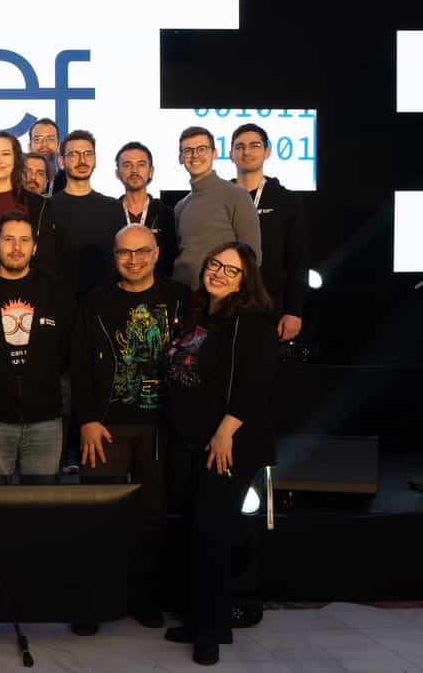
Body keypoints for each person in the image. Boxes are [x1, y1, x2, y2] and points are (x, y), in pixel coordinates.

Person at [163, 242, 277, 666]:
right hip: (194, 442)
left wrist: (226, 431)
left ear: (246, 280)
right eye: (215, 265)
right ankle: (205, 620)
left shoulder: (252, 321)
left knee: (212, 537)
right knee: (197, 533)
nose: (219, 273)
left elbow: (255, 383)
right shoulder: (199, 314)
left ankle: (208, 634)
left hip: (228, 445)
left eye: (231, 270)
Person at [72, 223, 189, 631]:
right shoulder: (94, 302)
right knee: (97, 515)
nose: (133, 260)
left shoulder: (180, 298)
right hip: (106, 426)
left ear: (156, 254)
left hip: (160, 427)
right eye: (125, 252)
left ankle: (146, 600)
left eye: (142, 251)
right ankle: (93, 603)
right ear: (115, 257)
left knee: (152, 518)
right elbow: (80, 366)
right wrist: (87, 419)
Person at [0, 211, 72, 484]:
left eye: (25, 240)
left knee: (42, 504)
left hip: (45, 420)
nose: (17, 247)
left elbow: (68, 350)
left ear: (34, 247)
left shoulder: (55, 290)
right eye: (8, 239)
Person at [230, 123, 309, 342]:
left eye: (254, 145)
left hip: (270, 305)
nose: (247, 152)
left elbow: (298, 259)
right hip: (224, 304)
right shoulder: (219, 198)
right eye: (240, 146)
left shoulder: (288, 200)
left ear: (267, 151)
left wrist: (293, 310)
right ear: (231, 154)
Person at [172, 126, 262, 290]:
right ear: (180, 158)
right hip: (183, 295)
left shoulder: (237, 195)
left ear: (214, 153)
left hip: (221, 297)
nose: (195, 155)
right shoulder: (180, 206)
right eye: (188, 150)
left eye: (202, 149)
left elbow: (251, 257)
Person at [0, 131, 68, 279]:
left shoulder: (39, 205)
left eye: (5, 154)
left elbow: (47, 258)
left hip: (29, 287)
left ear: (16, 158)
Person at [49, 129, 123, 297]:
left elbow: (119, 260)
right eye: (74, 154)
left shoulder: (113, 207)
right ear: (61, 161)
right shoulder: (47, 208)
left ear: (95, 160)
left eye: (88, 154)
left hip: (104, 302)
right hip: (58, 301)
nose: (82, 160)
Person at [116, 142, 177, 282]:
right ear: (117, 173)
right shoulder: (108, 213)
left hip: (160, 290)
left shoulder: (168, 215)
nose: (134, 170)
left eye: (141, 164)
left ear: (151, 171)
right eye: (127, 165)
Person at [28, 117, 62, 192]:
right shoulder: (17, 186)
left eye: (50, 139)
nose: (44, 144)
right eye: (38, 139)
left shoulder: (69, 186)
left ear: (58, 146)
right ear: (29, 147)